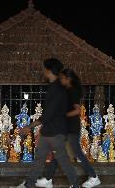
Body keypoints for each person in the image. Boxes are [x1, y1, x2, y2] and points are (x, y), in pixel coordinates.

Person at [17, 59, 79, 188]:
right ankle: (29, 184)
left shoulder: (57, 89)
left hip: (56, 132)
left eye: (44, 69)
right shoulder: (55, 87)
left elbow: (48, 114)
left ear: (48, 70)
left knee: (63, 160)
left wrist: (29, 127)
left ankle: (75, 184)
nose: (43, 71)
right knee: (39, 159)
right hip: (49, 131)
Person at [35, 69, 101, 188]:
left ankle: (94, 177)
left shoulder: (73, 91)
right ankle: (48, 179)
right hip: (66, 127)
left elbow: (77, 110)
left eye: (62, 78)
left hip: (72, 128)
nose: (61, 80)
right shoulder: (68, 91)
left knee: (77, 153)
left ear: (68, 79)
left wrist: (62, 115)